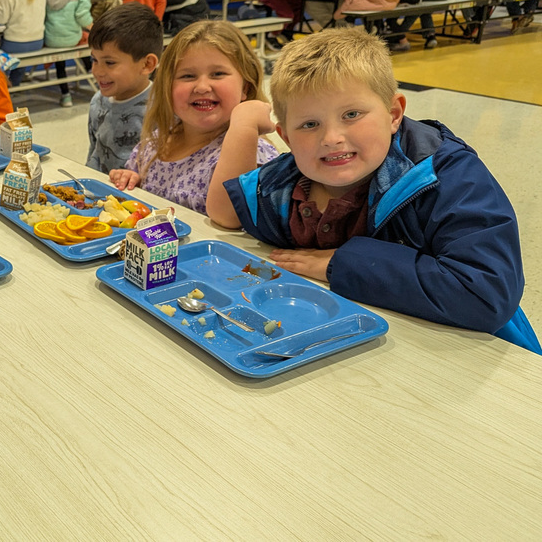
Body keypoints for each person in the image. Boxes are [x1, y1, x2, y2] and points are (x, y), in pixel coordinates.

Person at [207, 27, 538, 354]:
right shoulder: (287, 182)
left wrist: (340, 264)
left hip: (474, 358)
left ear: (394, 115)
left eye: (351, 114)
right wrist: (244, 124)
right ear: (287, 137)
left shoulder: (447, 176)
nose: (331, 138)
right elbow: (227, 212)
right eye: (309, 124)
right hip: (353, 355)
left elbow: (486, 294)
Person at [109, 20, 279, 215]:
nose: (202, 87)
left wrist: (246, 126)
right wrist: (131, 180)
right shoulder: (155, 144)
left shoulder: (253, 152)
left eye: (217, 74)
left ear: (245, 88)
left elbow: (234, 216)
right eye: (187, 76)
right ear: (167, 88)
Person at [85, 3, 162, 174]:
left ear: (147, 64)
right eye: (94, 60)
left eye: (109, 63)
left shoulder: (162, 110)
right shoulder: (97, 102)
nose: (97, 71)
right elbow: (94, 155)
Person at [44, 0, 93, 107]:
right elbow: (82, 17)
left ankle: (66, 95)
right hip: (72, 39)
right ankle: (93, 74)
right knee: (85, 38)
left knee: (60, 63)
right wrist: (94, 27)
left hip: (51, 39)